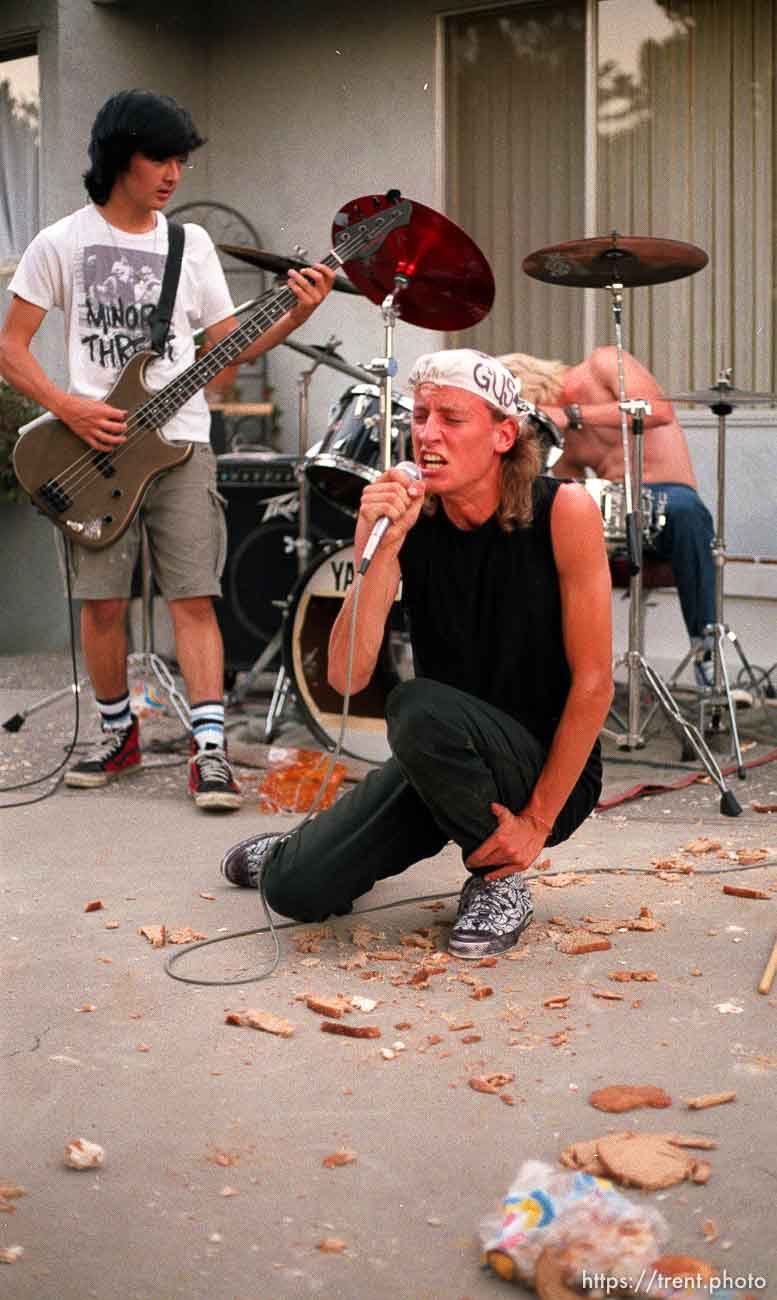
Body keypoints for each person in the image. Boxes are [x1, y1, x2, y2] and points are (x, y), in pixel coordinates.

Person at [0, 89, 334, 811]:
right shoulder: (60, 242)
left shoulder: (190, 245)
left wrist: (298, 309)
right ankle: (118, 735)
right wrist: (68, 407)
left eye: (182, 160)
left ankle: (208, 750)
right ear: (120, 157)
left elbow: (226, 350)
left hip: (182, 445)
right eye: (161, 157)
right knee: (101, 605)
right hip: (92, 447)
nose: (174, 174)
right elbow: (11, 349)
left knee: (194, 595)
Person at [220, 349, 613, 959]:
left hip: (542, 768)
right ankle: (297, 849)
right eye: (421, 415)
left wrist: (535, 823)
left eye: (451, 418)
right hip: (440, 755)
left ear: (503, 434)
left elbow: (594, 684)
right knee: (294, 889)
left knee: (416, 706)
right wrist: (374, 550)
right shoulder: (410, 518)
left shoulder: (564, 511)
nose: (426, 433)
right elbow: (347, 678)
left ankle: (499, 882)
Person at [500, 347, 716, 687]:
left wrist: (570, 413)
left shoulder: (601, 364)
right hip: (615, 513)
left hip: (668, 497)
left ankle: (708, 658)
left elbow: (659, 411)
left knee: (688, 512)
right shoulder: (562, 435)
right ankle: (547, 668)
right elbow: (566, 488)